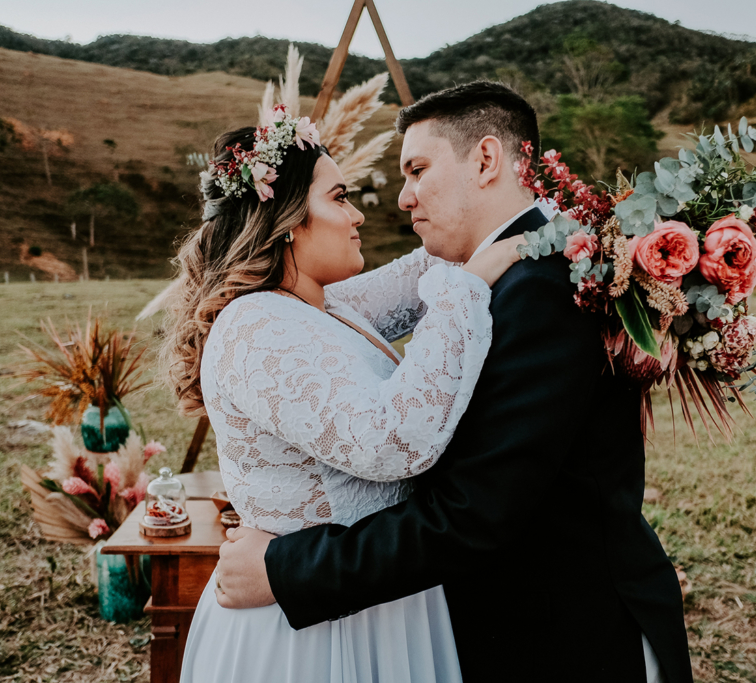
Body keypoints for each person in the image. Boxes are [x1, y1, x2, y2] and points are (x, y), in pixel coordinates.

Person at [214, 81, 695, 682]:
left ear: (487, 159)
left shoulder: (542, 288)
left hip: (565, 639)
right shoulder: (500, 274)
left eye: (416, 169)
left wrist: (287, 570)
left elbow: (472, 512)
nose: (401, 198)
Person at [164, 104, 525, 682]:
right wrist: (466, 287)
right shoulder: (255, 326)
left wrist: (524, 207)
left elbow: (429, 261)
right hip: (313, 630)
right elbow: (395, 441)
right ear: (285, 222)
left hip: (375, 597)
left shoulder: (331, 306)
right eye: (338, 198)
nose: (357, 215)